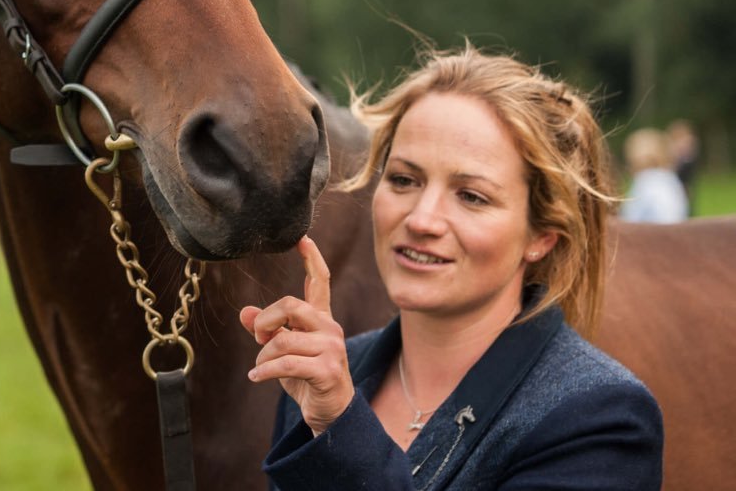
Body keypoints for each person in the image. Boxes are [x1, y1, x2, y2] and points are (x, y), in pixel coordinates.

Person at [240, 46, 663, 490]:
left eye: (471, 196)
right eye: (404, 179)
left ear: (541, 237)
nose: (421, 220)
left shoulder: (601, 419)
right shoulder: (317, 382)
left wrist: (342, 431)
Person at [620, 128, 688, 224]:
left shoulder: (644, 182)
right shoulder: (671, 179)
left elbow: (629, 219)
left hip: (650, 235)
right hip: (676, 234)